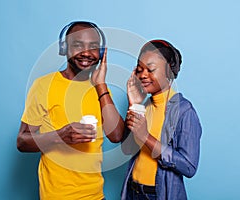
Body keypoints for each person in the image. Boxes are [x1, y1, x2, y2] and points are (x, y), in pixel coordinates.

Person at [17, 21, 124, 200]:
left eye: (93, 47)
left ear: (102, 53)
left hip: (96, 196)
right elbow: (22, 142)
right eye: (78, 45)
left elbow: (116, 135)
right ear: (64, 48)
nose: (86, 53)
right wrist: (60, 136)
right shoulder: (44, 85)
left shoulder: (100, 89)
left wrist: (101, 85)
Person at [121, 39, 202, 200]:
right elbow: (127, 150)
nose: (143, 75)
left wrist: (146, 137)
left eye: (150, 69)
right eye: (140, 68)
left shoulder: (184, 111)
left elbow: (189, 166)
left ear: (169, 72)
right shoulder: (144, 105)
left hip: (157, 195)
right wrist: (133, 105)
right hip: (133, 191)